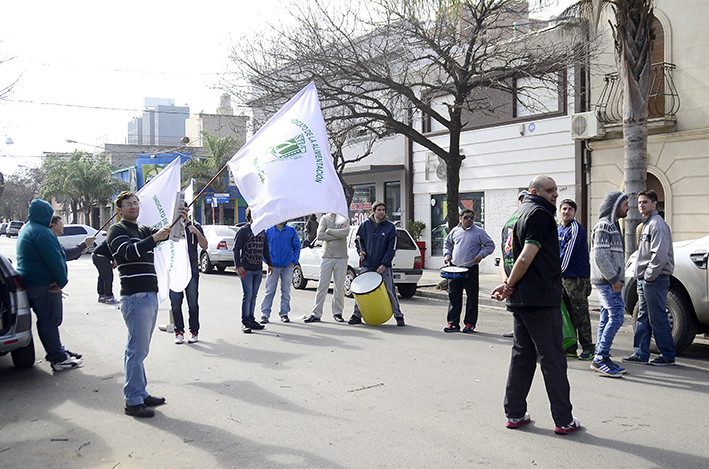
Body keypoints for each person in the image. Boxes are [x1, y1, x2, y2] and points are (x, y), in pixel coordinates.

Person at [491, 175, 580, 435]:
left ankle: (515, 413)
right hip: (540, 298)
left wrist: (508, 284)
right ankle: (564, 419)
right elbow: (526, 256)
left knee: (523, 357)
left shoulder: (512, 218)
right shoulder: (539, 215)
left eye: (556, 190)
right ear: (534, 191)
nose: (555, 195)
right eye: (549, 190)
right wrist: (510, 284)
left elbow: (504, 260)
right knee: (552, 359)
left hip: (520, 300)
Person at [107, 190, 187, 418]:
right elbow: (128, 252)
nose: (133, 207)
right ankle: (132, 400)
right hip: (134, 297)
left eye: (136, 203)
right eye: (128, 204)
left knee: (140, 349)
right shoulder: (117, 230)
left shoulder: (141, 229)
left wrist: (182, 218)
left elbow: (172, 234)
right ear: (119, 209)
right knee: (136, 350)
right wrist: (154, 238)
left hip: (150, 295)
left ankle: (140, 393)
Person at [16, 200, 83, 372]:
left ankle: (56, 351)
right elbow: (55, 260)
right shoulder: (43, 233)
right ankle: (58, 359)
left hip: (31, 283)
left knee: (46, 322)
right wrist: (62, 281)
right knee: (50, 321)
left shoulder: (28, 229)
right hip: (44, 285)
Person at [624, 190, 677, 366]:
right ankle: (640, 353)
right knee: (643, 317)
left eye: (645, 202)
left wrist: (649, 277)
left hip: (655, 279)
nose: (641, 205)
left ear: (655, 204)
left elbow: (659, 255)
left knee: (658, 317)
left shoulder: (657, 224)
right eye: (639, 202)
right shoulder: (646, 224)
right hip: (646, 279)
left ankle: (667, 355)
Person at [590, 191, 630, 378]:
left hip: (609, 281)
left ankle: (602, 356)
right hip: (608, 282)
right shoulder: (604, 226)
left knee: (607, 317)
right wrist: (614, 279)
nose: (628, 207)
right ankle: (600, 358)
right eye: (625, 204)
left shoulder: (612, 226)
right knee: (617, 317)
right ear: (615, 205)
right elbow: (599, 255)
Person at [348, 201, 405, 327]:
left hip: (383, 266)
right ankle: (357, 315)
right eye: (379, 210)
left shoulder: (390, 227)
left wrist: (384, 264)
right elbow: (358, 241)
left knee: (390, 290)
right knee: (361, 291)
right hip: (367, 264)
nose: (381, 212)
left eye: (383, 210)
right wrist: (360, 252)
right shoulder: (365, 225)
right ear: (373, 211)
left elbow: (392, 248)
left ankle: (398, 315)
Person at [442, 208, 494, 333]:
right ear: (461, 219)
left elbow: (490, 245)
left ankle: (470, 324)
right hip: (455, 268)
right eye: (466, 217)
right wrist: (447, 255)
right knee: (454, 296)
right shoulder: (455, 230)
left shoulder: (479, 232)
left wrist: (481, 255)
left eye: (471, 217)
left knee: (471, 297)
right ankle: (453, 323)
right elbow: (447, 243)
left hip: (470, 269)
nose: (469, 219)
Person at [557, 199, 594, 360]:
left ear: (575, 212)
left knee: (580, 315)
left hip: (576, 279)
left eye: (570, 209)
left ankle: (588, 348)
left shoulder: (575, 229)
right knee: (568, 314)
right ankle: (571, 348)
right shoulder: (559, 229)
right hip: (563, 278)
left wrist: (556, 273)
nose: (566, 212)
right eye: (564, 209)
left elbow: (567, 257)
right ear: (560, 211)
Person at [305, 213, 350, 323]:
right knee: (322, 285)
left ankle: (337, 312)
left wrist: (329, 231)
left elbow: (345, 233)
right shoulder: (324, 219)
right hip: (327, 256)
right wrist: (338, 235)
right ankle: (316, 313)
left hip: (341, 256)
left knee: (339, 287)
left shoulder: (344, 218)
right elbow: (320, 235)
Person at [234, 207, 273, 333]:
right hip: (246, 269)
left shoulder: (261, 231)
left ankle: (251, 318)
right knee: (248, 295)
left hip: (257, 268)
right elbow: (236, 249)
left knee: (254, 296)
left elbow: (265, 249)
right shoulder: (243, 231)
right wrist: (238, 266)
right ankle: (245, 321)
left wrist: (269, 264)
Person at [170, 213, 208, 344]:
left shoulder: (194, 226)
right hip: (175, 270)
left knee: (192, 303)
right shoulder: (171, 228)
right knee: (175, 303)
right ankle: (179, 331)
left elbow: (205, 245)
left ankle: (194, 331)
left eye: (183, 211)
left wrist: (196, 232)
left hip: (191, 269)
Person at [260, 221, 300, 324]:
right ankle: (265, 314)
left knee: (286, 291)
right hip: (273, 266)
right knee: (269, 290)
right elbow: (263, 247)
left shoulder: (291, 230)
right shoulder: (268, 231)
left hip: (287, 265)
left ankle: (284, 313)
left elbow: (297, 246)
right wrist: (267, 262)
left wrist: (294, 261)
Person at [502, 190, 528, 339]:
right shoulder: (511, 223)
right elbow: (504, 255)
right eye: (521, 200)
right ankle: (518, 331)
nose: (524, 202)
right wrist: (507, 281)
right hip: (514, 276)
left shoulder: (532, 220)